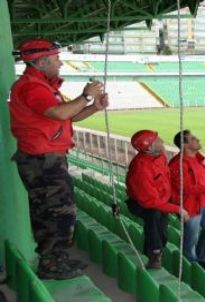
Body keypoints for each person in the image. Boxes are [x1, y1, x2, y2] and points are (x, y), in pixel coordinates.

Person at [9, 39, 109, 280]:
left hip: (45, 158)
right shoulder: (33, 87)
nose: (60, 63)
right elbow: (59, 112)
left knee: (50, 210)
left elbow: (67, 117)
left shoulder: (41, 85)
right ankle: (51, 263)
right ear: (42, 62)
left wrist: (93, 107)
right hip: (43, 160)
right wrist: (86, 96)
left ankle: (55, 258)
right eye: (56, 59)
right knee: (58, 212)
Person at [125, 130, 190, 269]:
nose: (161, 140)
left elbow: (166, 180)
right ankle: (154, 254)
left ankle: (154, 251)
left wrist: (174, 199)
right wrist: (178, 209)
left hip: (160, 200)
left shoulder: (160, 156)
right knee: (153, 215)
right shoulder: (141, 169)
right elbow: (150, 202)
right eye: (157, 140)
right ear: (149, 148)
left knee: (162, 231)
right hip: (141, 203)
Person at [169, 130, 205, 271]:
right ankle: (191, 266)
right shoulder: (177, 164)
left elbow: (202, 180)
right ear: (185, 144)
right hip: (189, 206)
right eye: (193, 138)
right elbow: (184, 187)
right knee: (190, 238)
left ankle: (202, 259)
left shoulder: (197, 159)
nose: (197, 139)